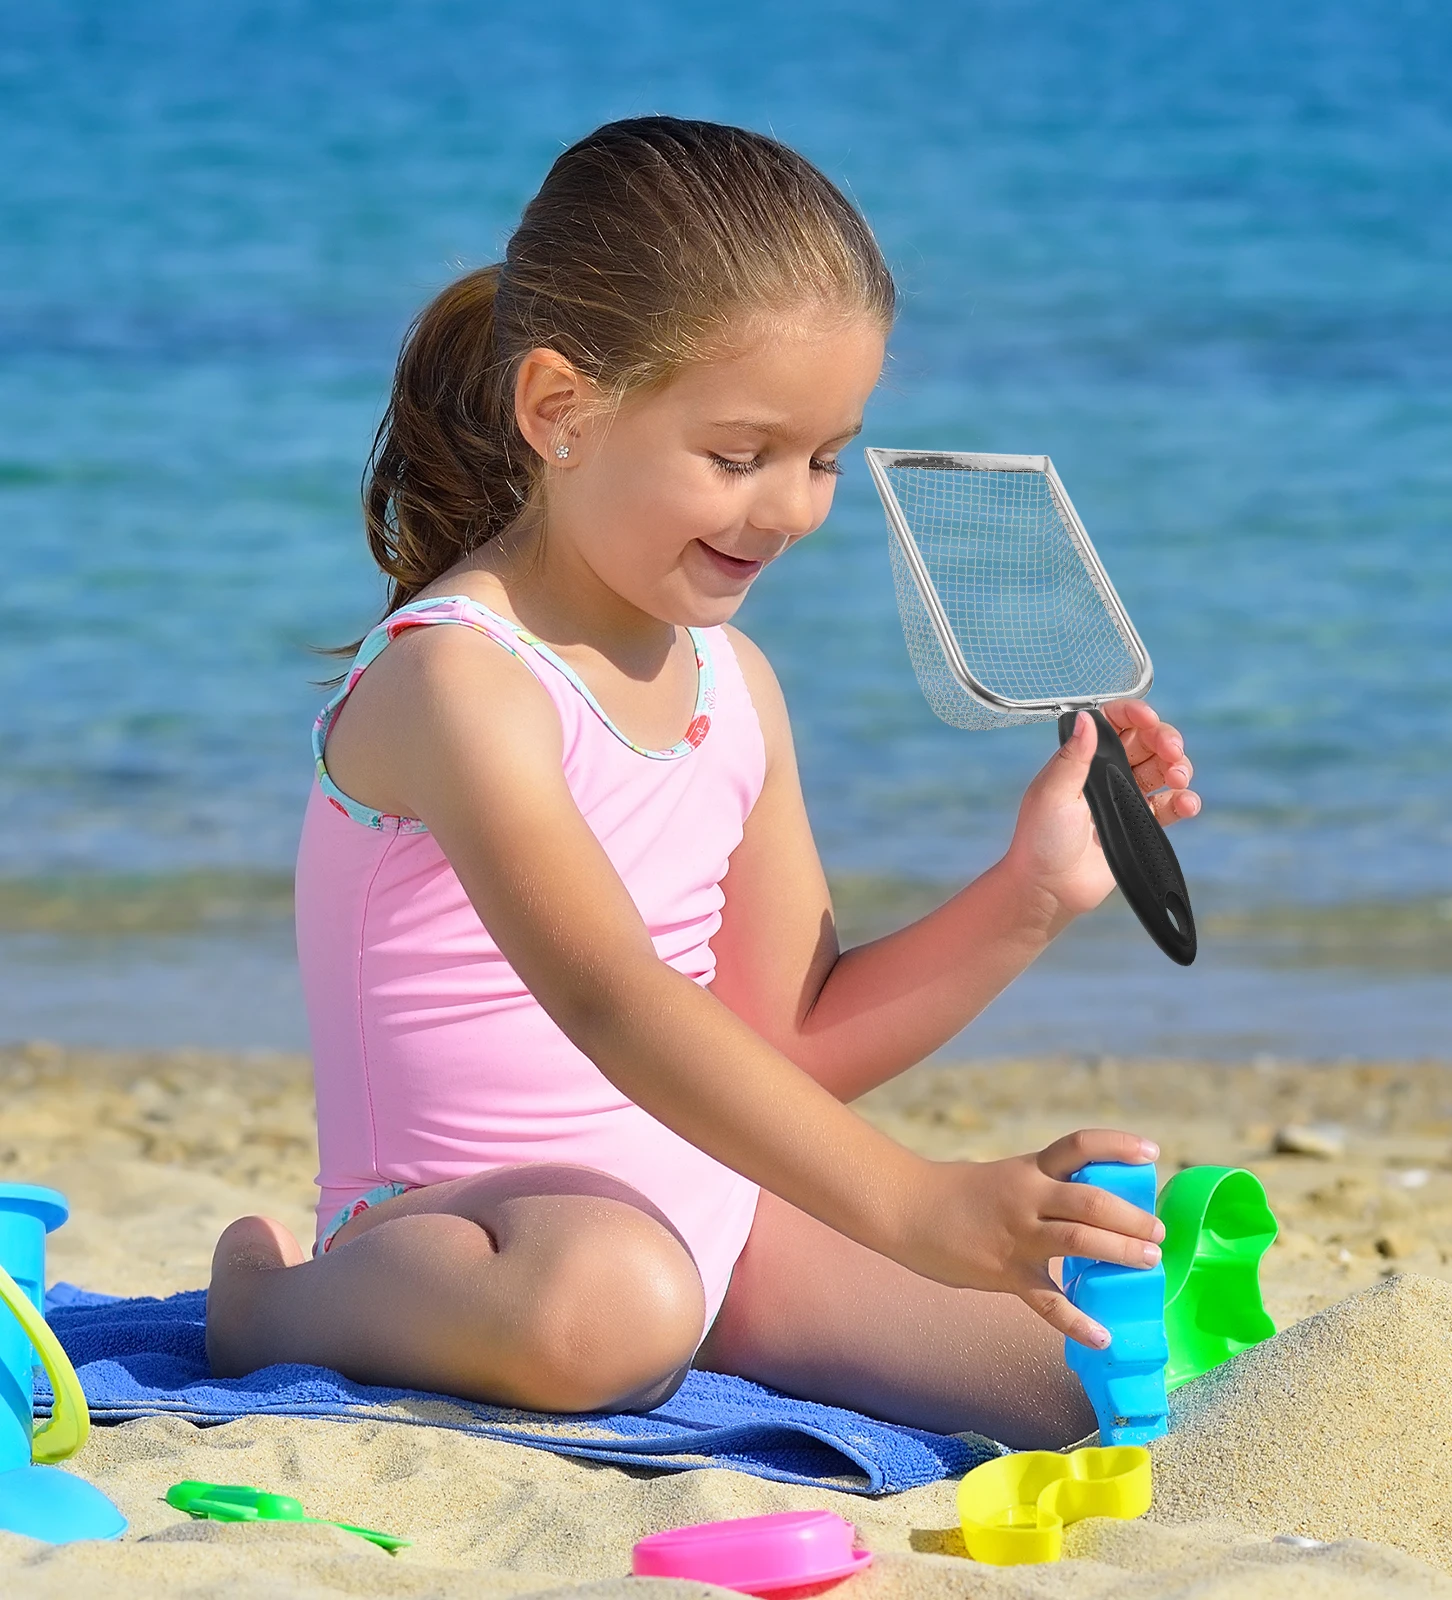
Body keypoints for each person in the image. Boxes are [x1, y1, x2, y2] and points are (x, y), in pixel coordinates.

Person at [205, 116, 1200, 1448]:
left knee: (1079, 1386)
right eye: (740, 457)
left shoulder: (737, 688)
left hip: (710, 1207)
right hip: (472, 1240)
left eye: (826, 457)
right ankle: (270, 1304)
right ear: (560, 411)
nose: (789, 509)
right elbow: (615, 1000)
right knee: (614, 1304)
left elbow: (787, 1042)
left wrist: (1030, 891)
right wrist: (913, 1205)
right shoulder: (465, 682)